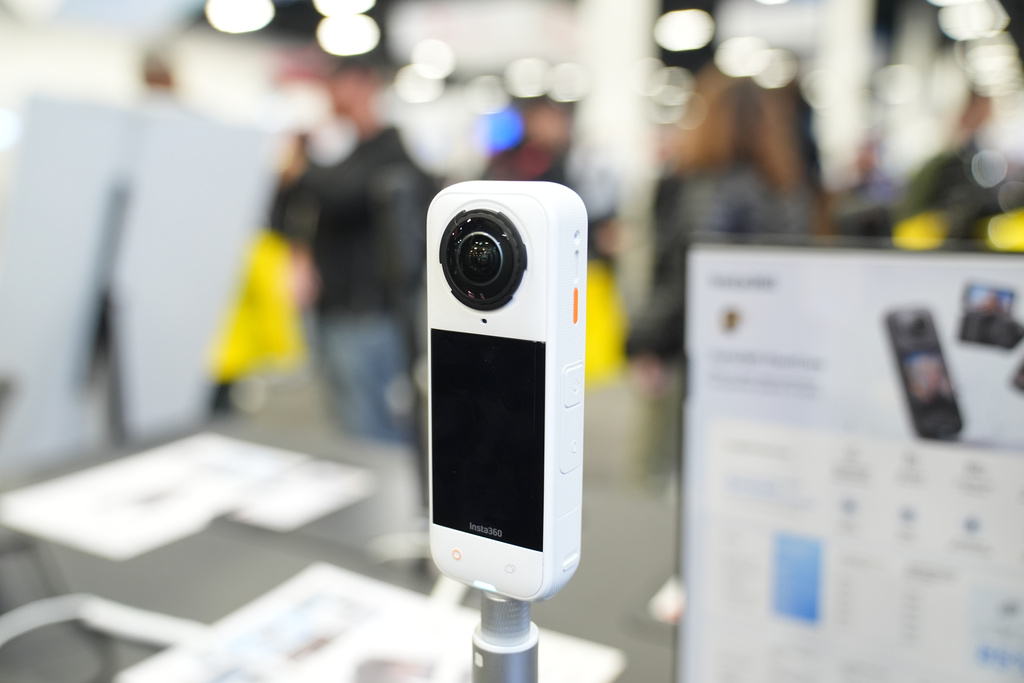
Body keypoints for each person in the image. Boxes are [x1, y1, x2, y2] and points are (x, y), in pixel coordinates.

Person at [627, 65, 815, 484]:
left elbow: (684, 279)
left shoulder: (702, 186)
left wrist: (647, 342)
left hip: (696, 356)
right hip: (763, 360)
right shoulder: (785, 188)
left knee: (658, 470)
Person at [285, 58, 435, 448]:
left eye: (339, 86)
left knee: (373, 429)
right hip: (336, 307)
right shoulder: (347, 155)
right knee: (348, 424)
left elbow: (342, 197)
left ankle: (397, 508)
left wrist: (303, 165)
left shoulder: (390, 156)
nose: (330, 97)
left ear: (364, 86)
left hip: (370, 314)